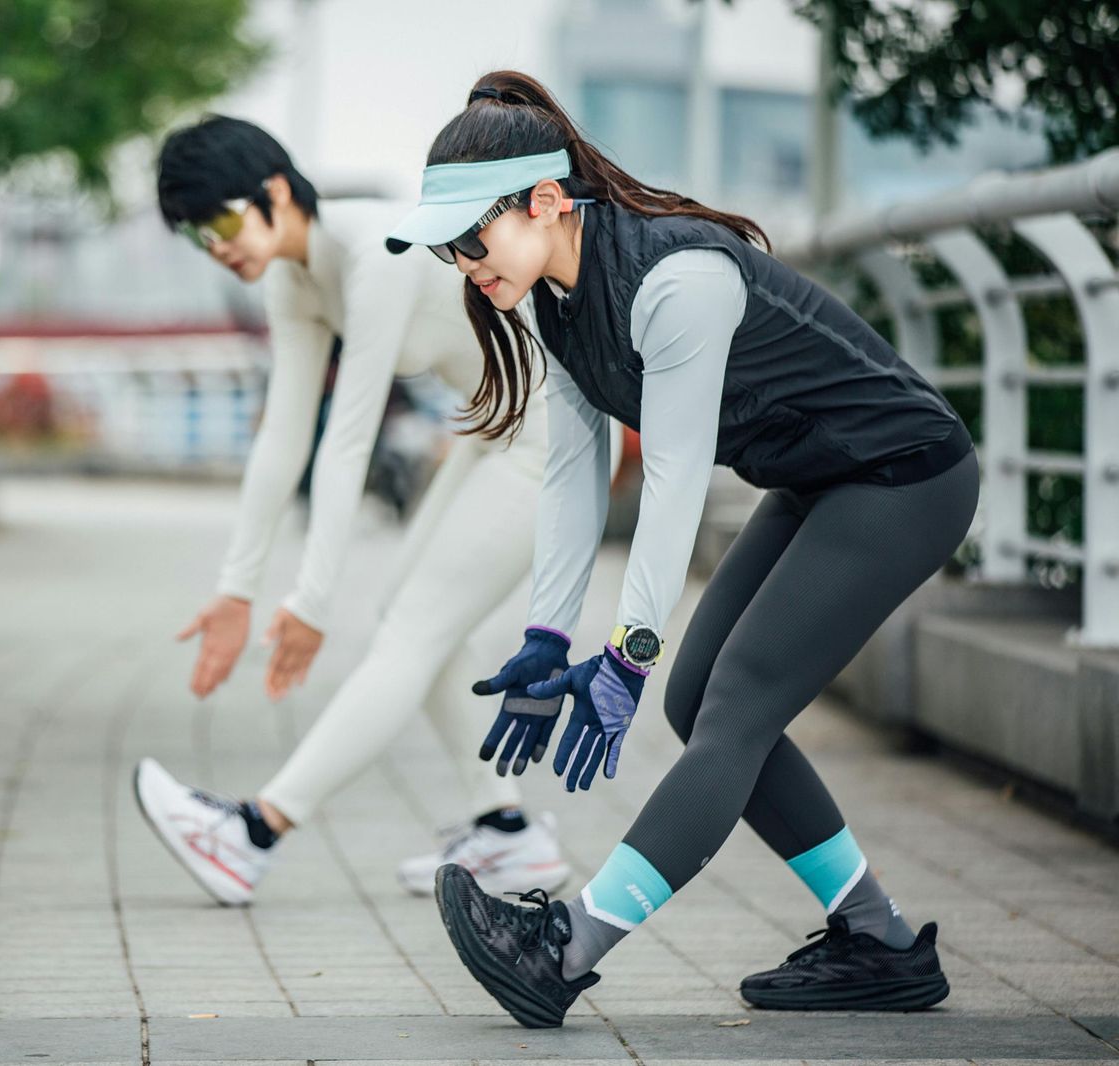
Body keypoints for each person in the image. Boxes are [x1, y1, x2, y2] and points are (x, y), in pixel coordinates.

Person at [384, 72, 976, 1026]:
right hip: (819, 481)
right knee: (703, 697)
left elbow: (673, 479)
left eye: (470, 237)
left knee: (731, 705)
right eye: (446, 247)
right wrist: (547, 635)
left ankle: (566, 949)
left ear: (545, 202)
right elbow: (576, 474)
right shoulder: (554, 303)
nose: (462, 263)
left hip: (904, 477)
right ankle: (879, 940)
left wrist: (628, 650)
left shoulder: (679, 279)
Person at [133, 116, 615, 904]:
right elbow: (284, 434)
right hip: (497, 432)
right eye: (196, 238)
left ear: (275, 192)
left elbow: (348, 437)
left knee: (408, 633)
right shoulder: (294, 281)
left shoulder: (375, 250)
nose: (217, 247)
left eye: (220, 221)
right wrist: (236, 587)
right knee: (409, 619)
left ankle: (254, 832)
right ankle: (507, 835)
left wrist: (311, 601)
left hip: (555, 442)